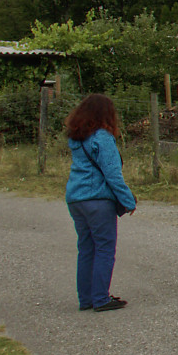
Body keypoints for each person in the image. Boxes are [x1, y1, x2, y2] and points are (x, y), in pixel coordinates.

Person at [65, 94, 137, 312]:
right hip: (97, 200)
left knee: (86, 248)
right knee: (104, 248)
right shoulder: (102, 138)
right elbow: (112, 174)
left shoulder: (77, 138)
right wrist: (128, 200)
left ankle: (86, 298)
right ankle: (101, 298)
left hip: (76, 198)